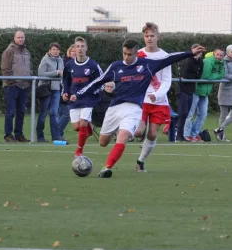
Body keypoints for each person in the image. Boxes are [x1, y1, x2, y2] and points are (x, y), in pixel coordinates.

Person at [77, 39, 205, 178]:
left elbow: (169, 59)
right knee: (103, 142)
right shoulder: (116, 66)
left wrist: (190, 53)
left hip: (134, 109)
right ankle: (101, 133)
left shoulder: (147, 65)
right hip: (115, 108)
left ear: (136, 53)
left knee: (123, 135)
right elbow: (98, 81)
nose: (126, 57)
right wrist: (79, 94)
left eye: (130, 54)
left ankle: (107, 168)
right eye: (124, 54)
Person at [134, 22, 173, 172]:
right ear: (143, 37)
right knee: (138, 131)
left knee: (152, 133)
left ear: (158, 37)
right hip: (141, 99)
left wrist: (157, 95)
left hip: (159, 101)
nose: (149, 38)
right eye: (146, 36)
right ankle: (137, 132)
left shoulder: (164, 56)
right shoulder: (139, 54)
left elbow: (166, 80)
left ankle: (141, 160)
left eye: (152, 35)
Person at [62, 37, 103, 157]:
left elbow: (101, 81)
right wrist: (65, 93)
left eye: (82, 46)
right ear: (74, 48)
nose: (79, 49)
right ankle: (88, 129)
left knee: (83, 123)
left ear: (86, 48)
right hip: (74, 99)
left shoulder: (93, 65)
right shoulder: (69, 65)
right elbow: (65, 81)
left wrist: (94, 91)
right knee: (76, 127)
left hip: (88, 99)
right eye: (77, 46)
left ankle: (79, 151)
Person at [183, 48, 225, 142]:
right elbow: (206, 76)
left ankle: (194, 134)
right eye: (217, 54)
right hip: (197, 90)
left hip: (205, 92)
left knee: (203, 115)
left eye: (221, 55)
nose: (219, 57)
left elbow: (222, 74)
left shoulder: (221, 63)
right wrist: (216, 76)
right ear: (214, 54)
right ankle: (186, 135)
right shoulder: (208, 62)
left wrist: (215, 76)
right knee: (190, 114)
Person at [1, 30, 32, 143]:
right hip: (12, 86)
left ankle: (19, 134)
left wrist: (29, 81)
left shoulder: (27, 52)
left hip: (25, 86)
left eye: (22, 37)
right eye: (19, 37)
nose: (21, 39)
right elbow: (5, 68)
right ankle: (8, 135)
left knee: (21, 112)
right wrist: (10, 82)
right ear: (14, 38)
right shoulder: (9, 51)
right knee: (10, 112)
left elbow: (29, 67)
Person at [36, 43, 64, 142]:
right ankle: (40, 136)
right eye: (53, 49)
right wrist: (55, 72)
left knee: (54, 113)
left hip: (56, 89)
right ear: (49, 50)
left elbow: (62, 73)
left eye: (57, 50)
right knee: (43, 113)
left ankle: (56, 136)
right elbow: (41, 74)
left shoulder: (60, 60)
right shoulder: (45, 60)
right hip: (45, 89)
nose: (55, 51)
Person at [176, 44, 204, 142]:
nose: (198, 54)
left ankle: (181, 135)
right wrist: (192, 77)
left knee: (186, 113)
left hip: (191, 89)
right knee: (182, 113)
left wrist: (192, 77)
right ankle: (178, 134)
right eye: (196, 51)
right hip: (182, 89)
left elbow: (199, 75)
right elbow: (184, 75)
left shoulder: (200, 62)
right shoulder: (188, 60)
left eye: (200, 52)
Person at [58, 44, 76, 139]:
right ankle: (58, 133)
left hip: (71, 91)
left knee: (63, 113)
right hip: (63, 90)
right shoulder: (64, 62)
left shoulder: (78, 63)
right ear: (69, 52)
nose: (74, 53)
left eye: (76, 51)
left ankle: (58, 134)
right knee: (67, 113)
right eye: (72, 51)